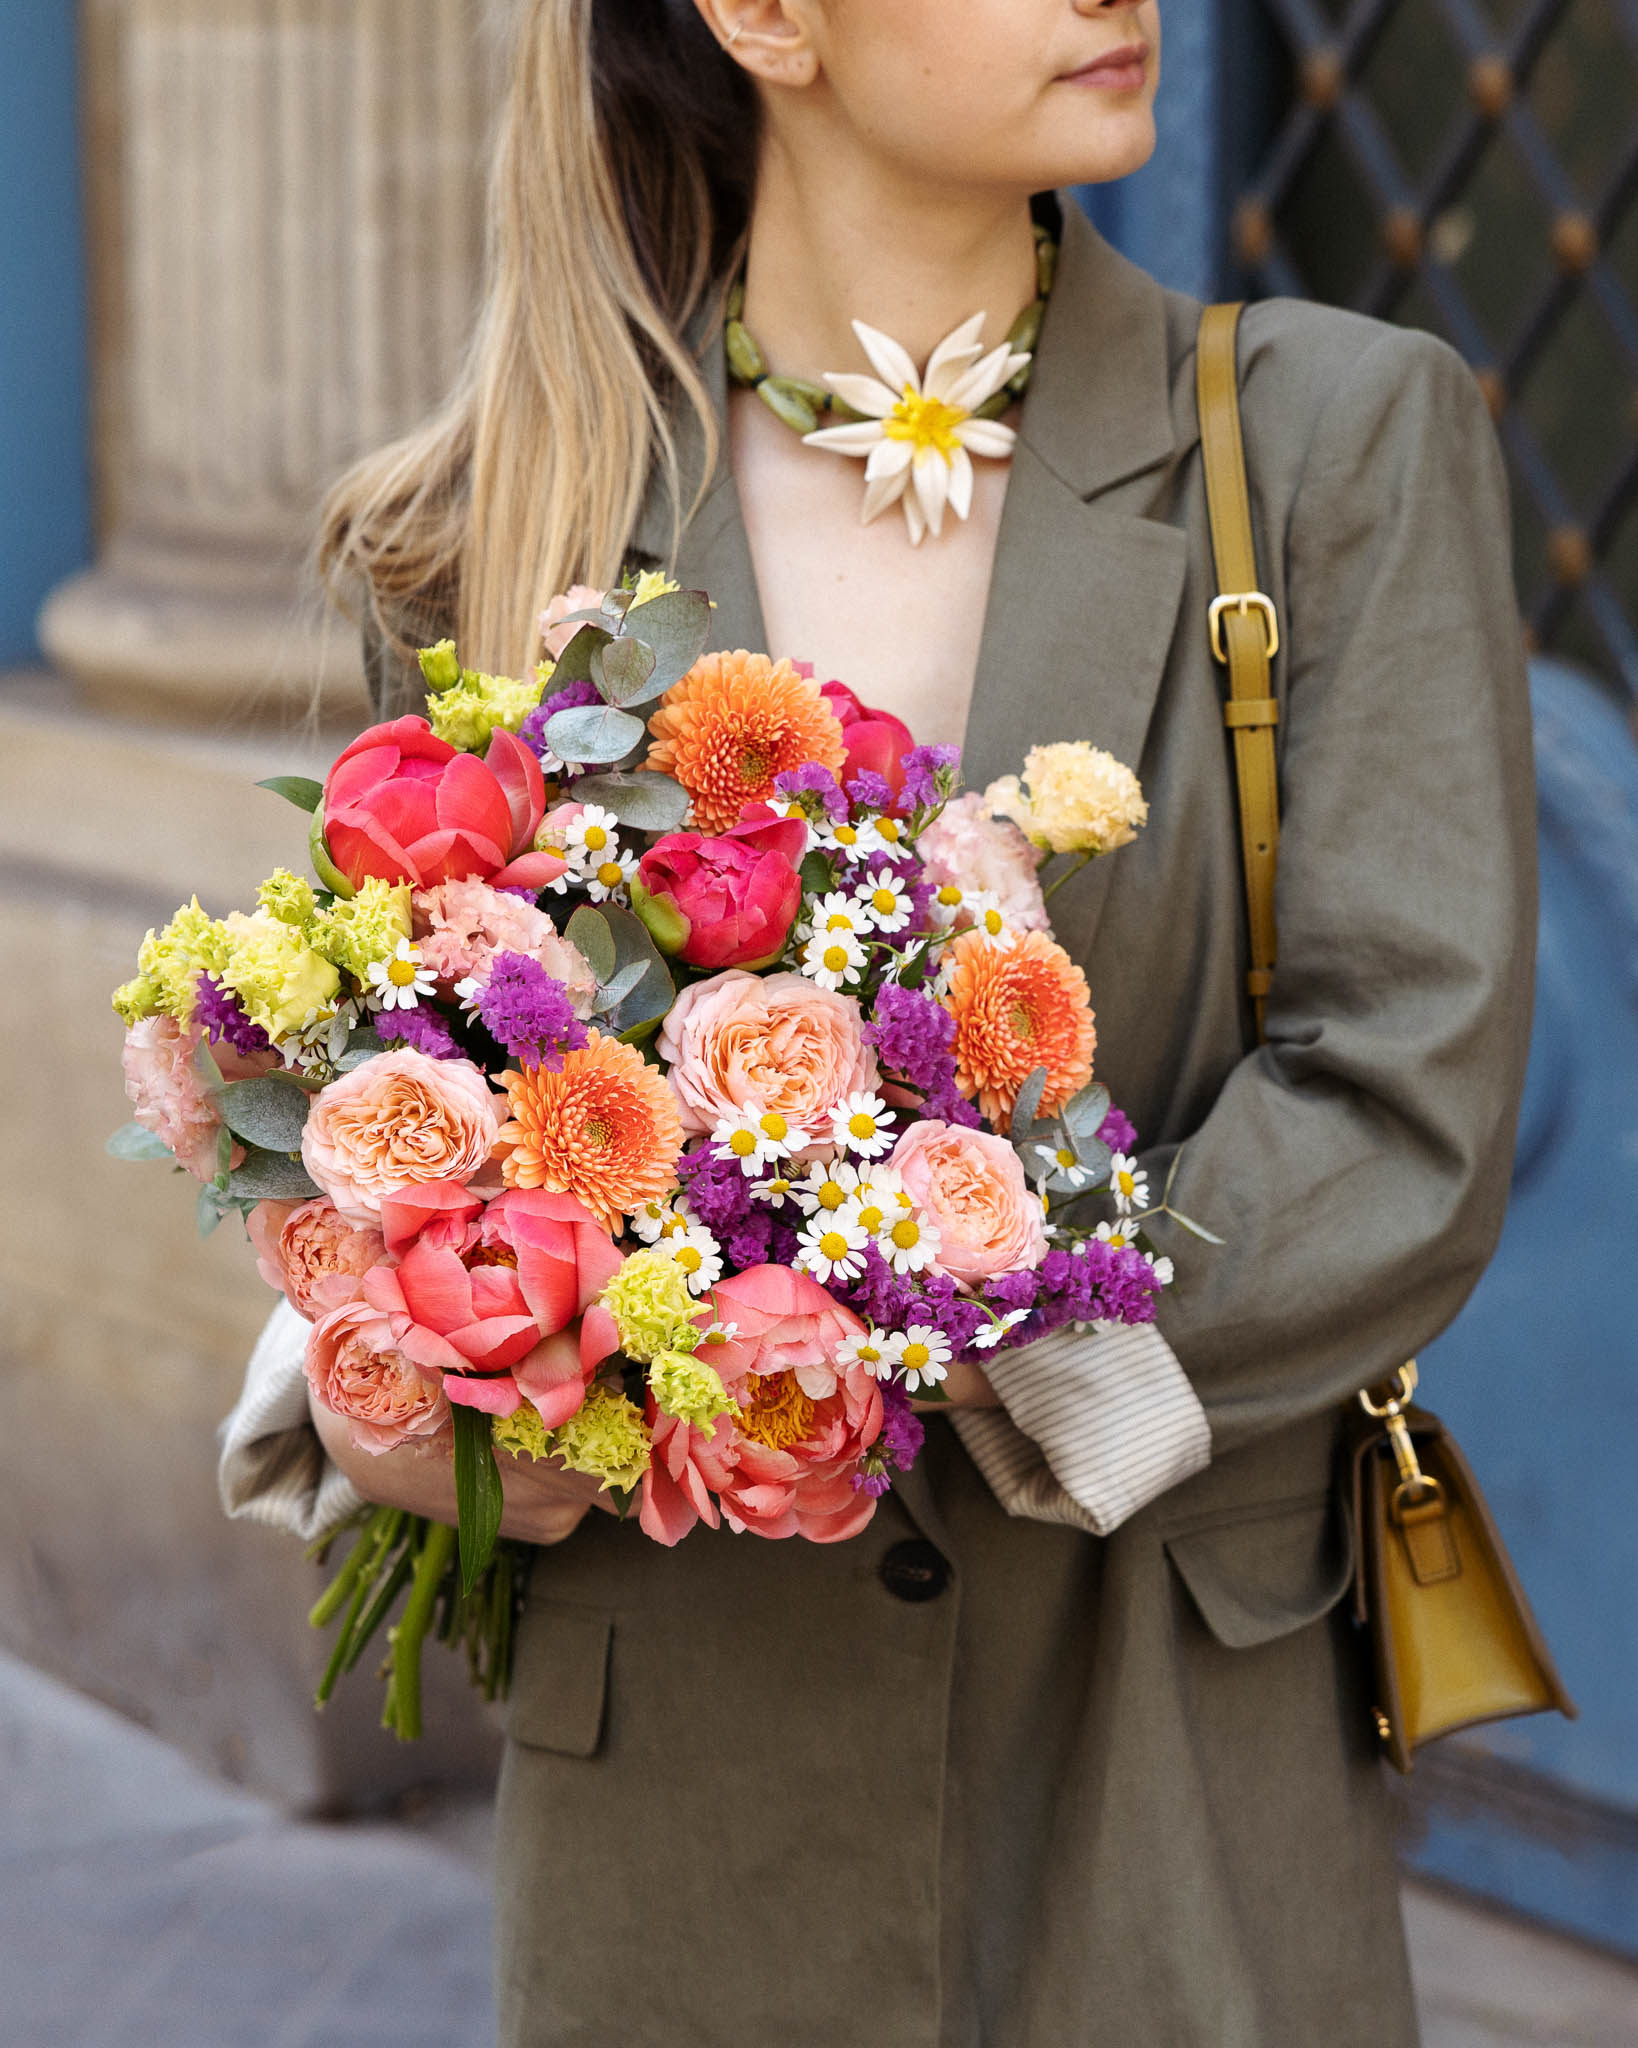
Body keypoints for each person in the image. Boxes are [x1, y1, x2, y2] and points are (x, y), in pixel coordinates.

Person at [217, 1, 1536, 2041]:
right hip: (679, 1823)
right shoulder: (505, 514)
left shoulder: (1326, 441)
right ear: (763, 15)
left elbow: (1406, 1115)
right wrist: (420, 1405)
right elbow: (385, 1089)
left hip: (1160, 1784)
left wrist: (932, 1320)